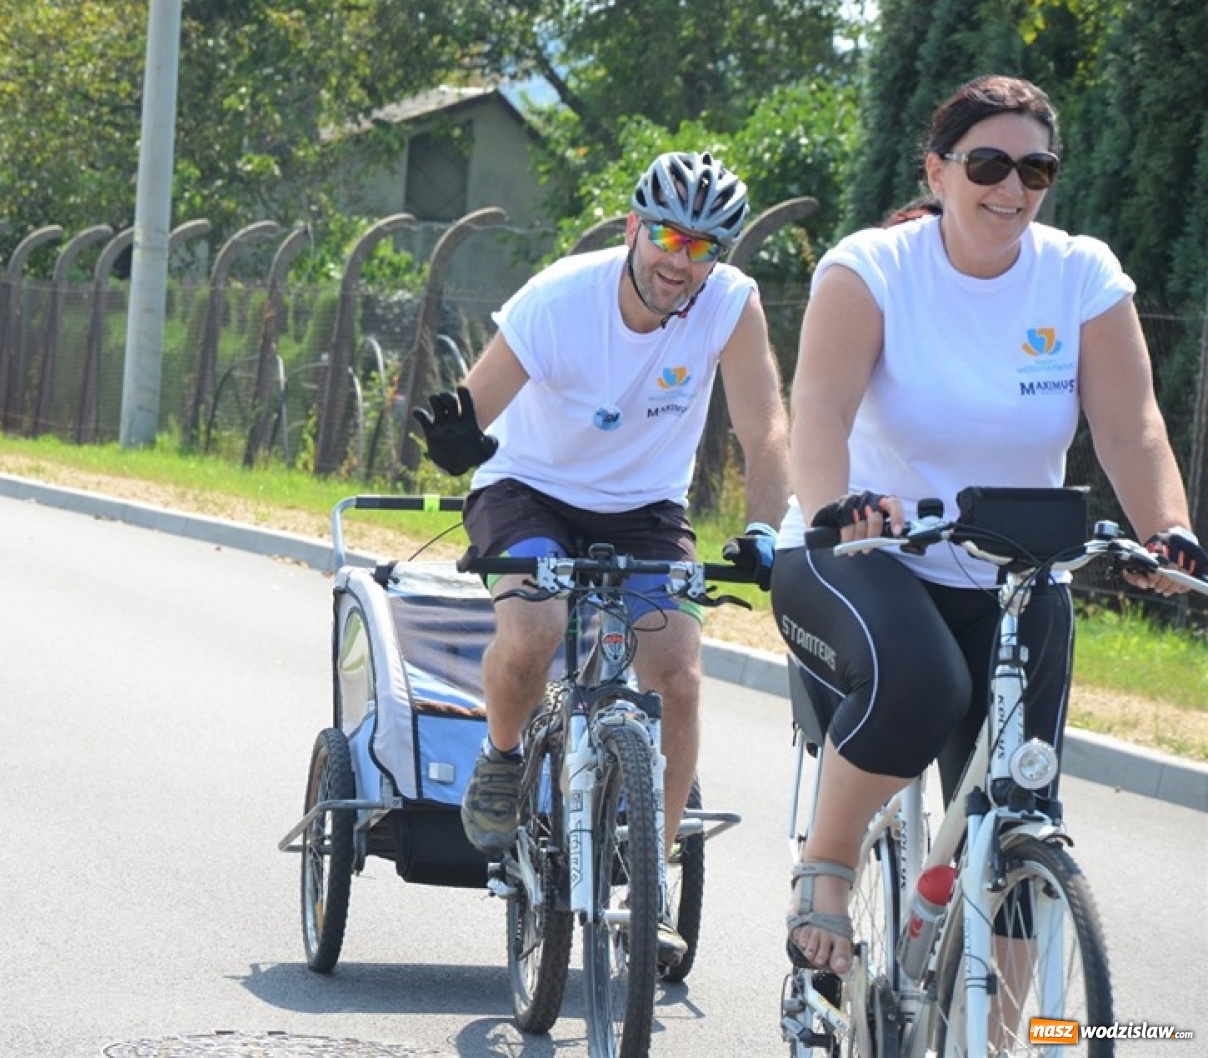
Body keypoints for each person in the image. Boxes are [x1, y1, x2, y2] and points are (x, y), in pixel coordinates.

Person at [770, 74, 1208, 977]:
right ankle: (828, 870)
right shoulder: (871, 268)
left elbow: (1132, 429)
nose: (1013, 188)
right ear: (938, 171)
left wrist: (1168, 529)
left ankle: (1000, 1035)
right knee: (922, 684)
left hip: (1015, 571)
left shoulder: (1081, 274)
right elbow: (817, 408)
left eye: (1036, 168)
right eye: (989, 163)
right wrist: (835, 508)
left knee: (1021, 809)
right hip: (865, 552)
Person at [414, 150, 790, 961]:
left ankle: (647, 883)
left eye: (701, 247)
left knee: (679, 674)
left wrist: (766, 528)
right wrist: (457, 436)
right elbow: (476, 404)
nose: (679, 261)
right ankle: (504, 759)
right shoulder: (559, 300)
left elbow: (766, 427)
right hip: (528, 489)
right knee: (535, 631)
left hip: (645, 509)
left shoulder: (731, 304)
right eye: (666, 236)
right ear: (634, 227)